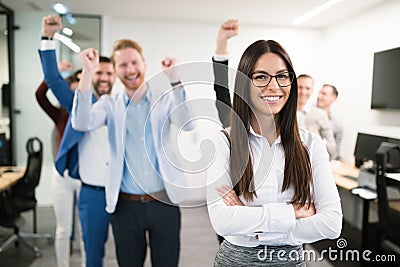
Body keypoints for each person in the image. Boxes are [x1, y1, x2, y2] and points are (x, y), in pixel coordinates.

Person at [207, 40, 342, 266]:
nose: (273, 86)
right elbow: (222, 221)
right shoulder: (224, 142)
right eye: (261, 77)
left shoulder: (311, 144)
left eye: (282, 76)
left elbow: (331, 223)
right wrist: (293, 213)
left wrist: (252, 223)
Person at [71, 40, 194, 267]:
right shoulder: (109, 104)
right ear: (116, 71)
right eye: (123, 65)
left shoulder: (164, 99)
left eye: (134, 62)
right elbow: (81, 122)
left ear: (144, 64)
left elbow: (187, 124)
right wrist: (87, 73)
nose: (130, 70)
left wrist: (175, 80)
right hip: (126, 208)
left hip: (163, 203)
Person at [39, 14, 115, 267]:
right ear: (91, 75)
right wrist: (48, 37)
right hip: (76, 180)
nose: (104, 77)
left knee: (99, 243)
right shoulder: (78, 102)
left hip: (106, 185)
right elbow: (52, 79)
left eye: (109, 73)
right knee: (75, 237)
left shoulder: (120, 106)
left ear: (115, 76)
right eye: (99, 72)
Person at [35, 67, 84, 267]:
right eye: (69, 94)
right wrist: (53, 72)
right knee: (63, 229)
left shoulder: (92, 114)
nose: (73, 99)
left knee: (85, 229)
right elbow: (40, 94)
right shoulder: (59, 115)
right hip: (62, 178)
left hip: (85, 177)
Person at [296, 74, 337, 159]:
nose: (303, 92)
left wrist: (318, 139)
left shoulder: (320, 115)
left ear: (312, 90)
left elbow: (332, 150)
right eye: (300, 87)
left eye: (307, 88)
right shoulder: (282, 110)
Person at [317, 84, 343, 160]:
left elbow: (336, 153)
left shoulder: (337, 125)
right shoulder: (306, 115)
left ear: (333, 98)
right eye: (319, 93)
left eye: (324, 94)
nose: (319, 96)